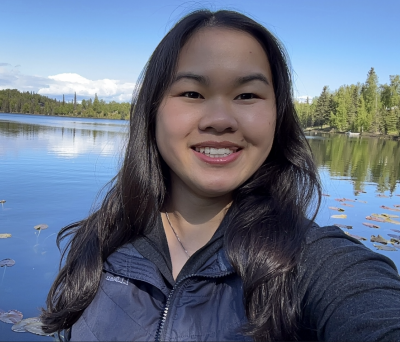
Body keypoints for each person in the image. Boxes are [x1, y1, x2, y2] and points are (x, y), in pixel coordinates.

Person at [41, 9, 400, 341]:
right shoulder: (101, 239)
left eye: (246, 95)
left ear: (277, 115)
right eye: (193, 92)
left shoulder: (311, 260)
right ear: (153, 111)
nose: (220, 120)